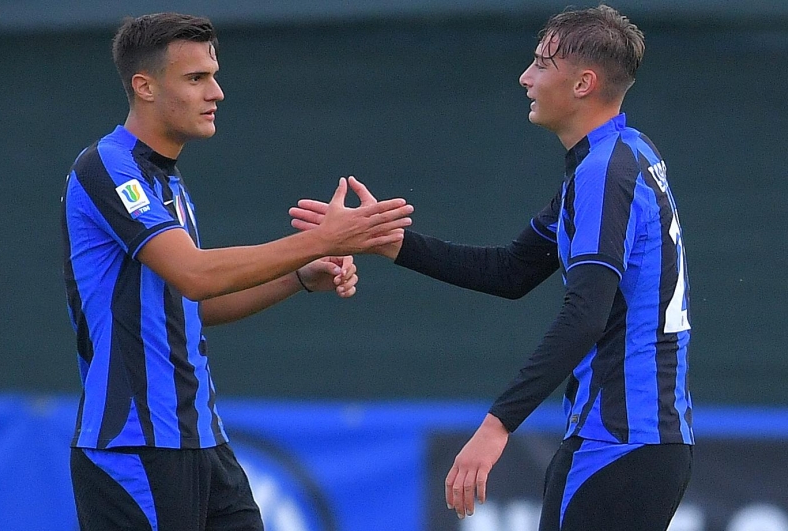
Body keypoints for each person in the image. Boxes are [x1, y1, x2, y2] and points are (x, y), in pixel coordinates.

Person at [290, 5, 692, 530]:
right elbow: (511, 271)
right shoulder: (624, 154)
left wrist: (496, 427)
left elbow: (585, 316)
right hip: (645, 441)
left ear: (583, 84)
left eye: (541, 64)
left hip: (615, 441)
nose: (526, 77)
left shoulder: (604, 173)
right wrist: (387, 243)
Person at [61, 12, 413, 531]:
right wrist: (324, 238)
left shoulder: (169, 182)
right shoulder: (107, 166)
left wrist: (300, 275)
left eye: (214, 75)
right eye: (196, 78)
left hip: (202, 440)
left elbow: (196, 305)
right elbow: (196, 275)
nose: (216, 92)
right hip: (136, 445)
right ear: (145, 87)